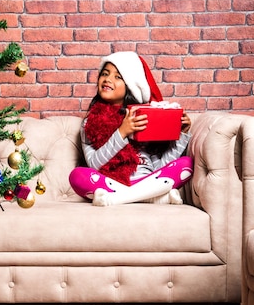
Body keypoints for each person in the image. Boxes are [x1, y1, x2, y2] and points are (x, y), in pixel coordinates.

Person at [69, 51, 193, 206]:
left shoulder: (144, 117)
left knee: (186, 164)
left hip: (147, 179)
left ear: (130, 86)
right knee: (77, 175)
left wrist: (181, 133)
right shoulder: (89, 122)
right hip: (112, 182)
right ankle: (152, 197)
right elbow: (94, 164)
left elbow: (158, 167)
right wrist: (122, 132)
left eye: (118, 77)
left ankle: (119, 199)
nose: (108, 79)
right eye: (105, 74)